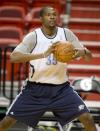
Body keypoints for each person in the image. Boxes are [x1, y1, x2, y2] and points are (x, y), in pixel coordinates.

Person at [0, 6, 97, 131]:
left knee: (87, 118)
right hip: (35, 90)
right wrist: (43, 54)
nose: (52, 17)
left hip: (61, 90)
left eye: (54, 14)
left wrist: (83, 51)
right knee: (6, 122)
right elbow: (13, 57)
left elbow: (89, 57)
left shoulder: (66, 34)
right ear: (41, 18)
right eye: (48, 15)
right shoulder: (33, 37)